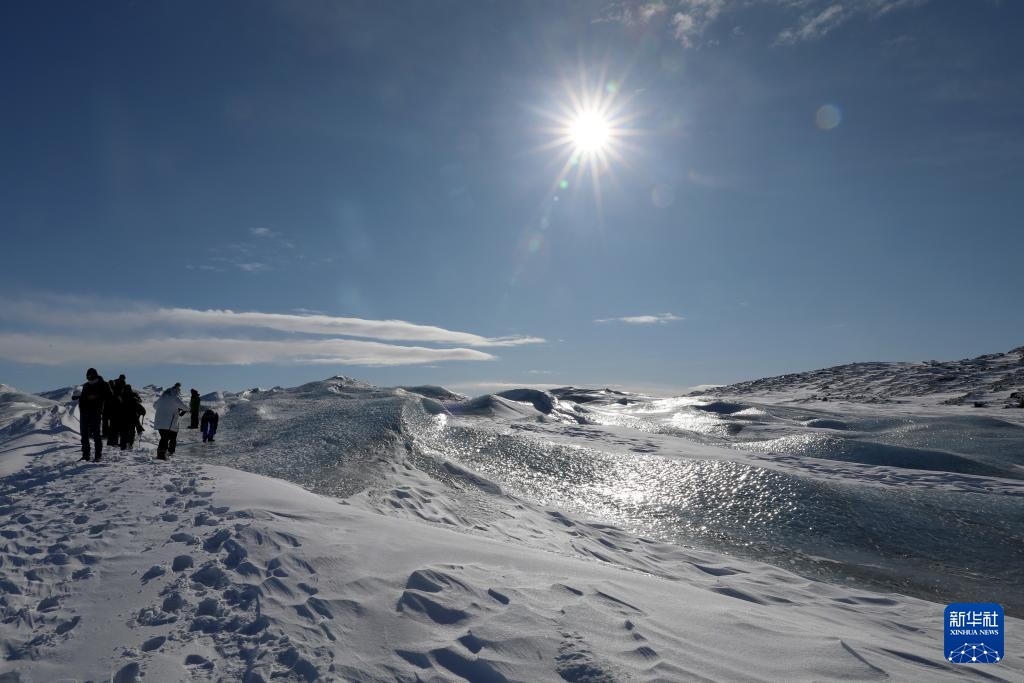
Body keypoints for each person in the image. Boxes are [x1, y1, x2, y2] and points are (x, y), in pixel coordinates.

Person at [73, 368, 113, 462]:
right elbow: (83, 397)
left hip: (96, 412)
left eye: (91, 377)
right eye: (88, 378)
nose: (89, 379)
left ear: (95, 376)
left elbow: (109, 395)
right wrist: (77, 396)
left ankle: (98, 456)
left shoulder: (103, 384)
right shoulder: (86, 385)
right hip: (84, 412)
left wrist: (96, 396)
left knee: (96, 435)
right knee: (84, 435)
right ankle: (85, 455)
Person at [153, 383, 187, 461]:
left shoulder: (162, 397)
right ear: (177, 390)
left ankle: (162, 454)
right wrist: (187, 409)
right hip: (169, 423)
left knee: (164, 438)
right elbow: (185, 407)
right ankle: (164, 454)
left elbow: (155, 406)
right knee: (169, 438)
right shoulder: (174, 397)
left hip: (159, 422)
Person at [118, 384, 146, 450]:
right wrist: (142, 412)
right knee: (131, 432)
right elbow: (140, 405)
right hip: (132, 417)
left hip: (123, 417)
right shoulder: (134, 396)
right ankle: (130, 444)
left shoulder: (121, 396)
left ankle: (123, 445)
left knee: (123, 432)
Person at [105, 375, 127, 447]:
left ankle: (111, 442)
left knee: (112, 427)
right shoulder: (120, 384)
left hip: (111, 410)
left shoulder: (115, 383)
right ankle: (113, 442)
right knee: (116, 428)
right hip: (116, 410)